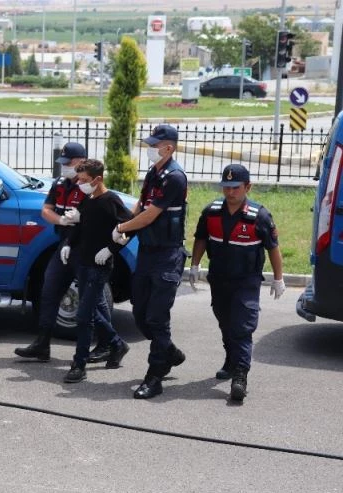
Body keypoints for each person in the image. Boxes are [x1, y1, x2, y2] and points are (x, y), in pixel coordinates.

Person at [189, 164, 284, 402]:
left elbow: (273, 248)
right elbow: (201, 239)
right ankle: (232, 360)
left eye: (235, 187)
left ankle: (240, 376)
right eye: (226, 187)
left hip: (246, 281)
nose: (230, 192)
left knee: (242, 326)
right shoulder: (211, 212)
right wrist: (194, 265)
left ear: (247, 187)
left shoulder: (259, 215)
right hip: (219, 279)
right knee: (225, 322)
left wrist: (279, 278)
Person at [113, 124, 188, 400]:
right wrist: (125, 226)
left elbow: (151, 215)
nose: (150, 149)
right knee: (140, 314)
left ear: (168, 147)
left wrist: (123, 230)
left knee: (157, 317)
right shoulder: (153, 173)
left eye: (154, 145)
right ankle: (168, 351)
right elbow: (140, 207)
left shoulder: (175, 178)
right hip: (147, 252)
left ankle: (155, 375)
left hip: (167, 255)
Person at [14, 142, 87, 360]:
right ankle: (42, 344)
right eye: (63, 163)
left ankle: (113, 343)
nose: (64, 167)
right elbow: (46, 210)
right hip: (63, 245)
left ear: (81, 162)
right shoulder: (61, 183)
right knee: (49, 292)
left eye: (69, 163)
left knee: (93, 303)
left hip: (84, 248)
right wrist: (62, 220)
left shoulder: (88, 185)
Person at [63, 159, 132, 383]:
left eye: (84, 180)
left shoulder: (111, 200)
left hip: (98, 266)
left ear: (98, 179)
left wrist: (111, 249)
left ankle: (79, 363)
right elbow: (80, 225)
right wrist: (68, 243)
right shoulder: (88, 198)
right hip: (82, 262)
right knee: (92, 310)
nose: (79, 184)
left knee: (83, 316)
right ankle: (117, 344)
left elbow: (130, 227)